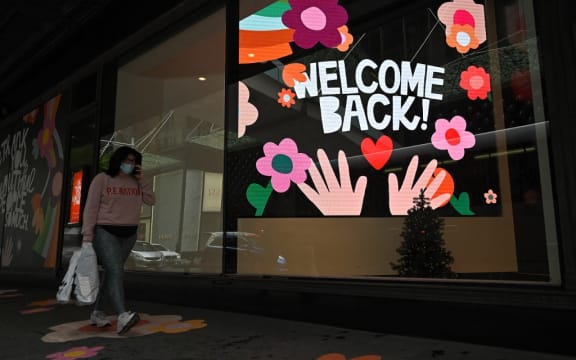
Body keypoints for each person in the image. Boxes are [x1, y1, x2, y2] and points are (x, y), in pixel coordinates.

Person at [81, 146, 156, 335]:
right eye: (127, 160)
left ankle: (97, 312)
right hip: (106, 231)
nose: (130, 164)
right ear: (118, 160)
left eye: (133, 162)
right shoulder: (102, 179)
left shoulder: (137, 181)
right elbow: (91, 208)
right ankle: (123, 316)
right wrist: (88, 236)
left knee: (112, 273)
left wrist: (142, 180)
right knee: (116, 270)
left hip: (129, 233)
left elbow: (151, 200)